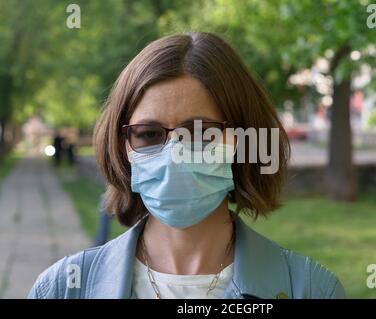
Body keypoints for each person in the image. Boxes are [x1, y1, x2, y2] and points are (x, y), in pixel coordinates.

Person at [28, 32, 345, 299]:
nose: (174, 153)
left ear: (244, 139)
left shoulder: (311, 289)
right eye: (149, 134)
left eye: (199, 133)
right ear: (123, 146)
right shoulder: (61, 289)